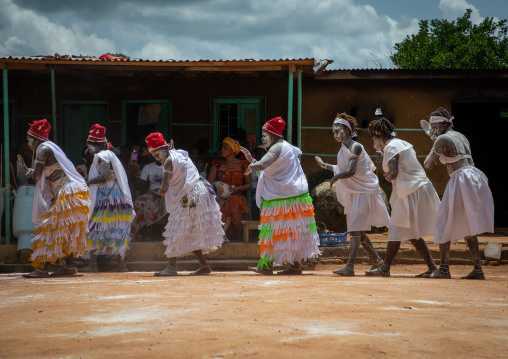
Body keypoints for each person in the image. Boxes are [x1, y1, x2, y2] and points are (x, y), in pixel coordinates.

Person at [241, 117, 321, 275]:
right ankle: (295, 265)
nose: (263, 138)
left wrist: (252, 165)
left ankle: (266, 266)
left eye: (265, 135)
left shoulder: (277, 148)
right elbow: (267, 165)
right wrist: (252, 160)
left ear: (273, 135)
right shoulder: (284, 147)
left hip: (281, 199)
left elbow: (263, 165)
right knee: (292, 232)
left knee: (273, 231)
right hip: (293, 197)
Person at [422, 107, 494, 280]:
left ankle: (444, 269)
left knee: (443, 222)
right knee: (468, 225)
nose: (433, 130)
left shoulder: (442, 138)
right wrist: (434, 137)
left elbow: (428, 164)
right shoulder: (461, 136)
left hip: (461, 179)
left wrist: (433, 140)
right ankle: (477, 269)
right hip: (475, 177)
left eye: (435, 126)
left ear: (444, 124)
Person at [315, 113, 389, 276]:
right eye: (333, 132)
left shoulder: (356, 147)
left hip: (362, 192)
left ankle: (349, 267)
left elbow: (351, 171)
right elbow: (341, 168)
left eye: (338, 130)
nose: (335, 134)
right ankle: (377, 261)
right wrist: (325, 165)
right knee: (360, 233)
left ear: (348, 131)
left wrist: (336, 177)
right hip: (356, 194)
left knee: (355, 232)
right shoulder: (343, 149)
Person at [365, 117, 440, 278]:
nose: (374, 141)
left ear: (379, 135)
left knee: (395, 228)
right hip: (413, 189)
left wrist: (386, 176)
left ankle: (385, 268)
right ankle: (432, 267)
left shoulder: (392, 147)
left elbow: (393, 172)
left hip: (409, 191)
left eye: (374, 137)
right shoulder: (399, 143)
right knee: (412, 233)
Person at [17, 119, 90, 278]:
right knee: (66, 229)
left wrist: (25, 169)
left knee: (49, 228)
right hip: (71, 192)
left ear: (35, 138)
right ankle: (70, 266)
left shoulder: (43, 148)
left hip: (68, 192)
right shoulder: (51, 147)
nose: (28, 144)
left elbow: (36, 175)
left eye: (29, 140)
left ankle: (42, 268)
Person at [146, 132, 224, 276]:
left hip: (191, 195)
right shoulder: (179, 154)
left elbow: (164, 187)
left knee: (176, 229)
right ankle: (204, 265)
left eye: (157, 155)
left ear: (164, 148)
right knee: (188, 230)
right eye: (154, 156)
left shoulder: (169, 161)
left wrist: (160, 194)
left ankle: (171, 268)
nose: (157, 159)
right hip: (197, 192)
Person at [82, 124, 135, 272]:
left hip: (106, 195)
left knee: (93, 227)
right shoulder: (110, 155)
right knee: (118, 228)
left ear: (94, 144)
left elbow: (103, 176)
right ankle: (121, 265)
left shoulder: (103, 156)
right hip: (115, 196)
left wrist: (86, 182)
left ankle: (93, 265)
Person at [208, 137, 252, 242]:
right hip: (221, 195)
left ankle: (224, 233)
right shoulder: (217, 165)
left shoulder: (243, 165)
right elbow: (208, 184)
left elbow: (250, 185)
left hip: (237, 195)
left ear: (233, 150)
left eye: (225, 148)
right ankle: (218, 233)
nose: (222, 150)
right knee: (216, 202)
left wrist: (237, 189)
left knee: (233, 201)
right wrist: (217, 185)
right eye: (222, 148)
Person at [130, 152, 167, 240]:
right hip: (153, 194)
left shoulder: (169, 166)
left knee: (167, 203)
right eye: (156, 154)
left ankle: (164, 233)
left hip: (166, 194)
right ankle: (135, 233)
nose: (158, 156)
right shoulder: (148, 167)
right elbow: (139, 186)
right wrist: (137, 173)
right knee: (139, 202)